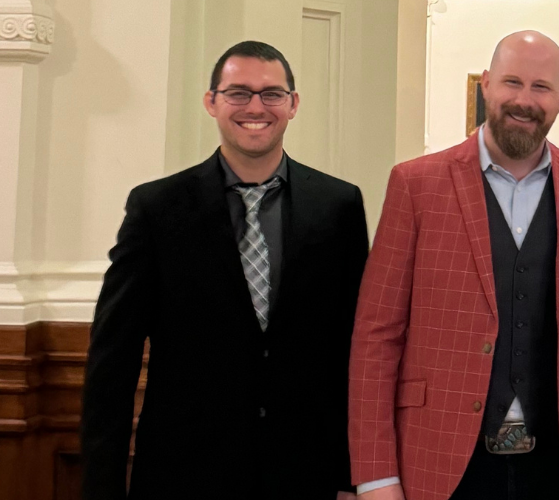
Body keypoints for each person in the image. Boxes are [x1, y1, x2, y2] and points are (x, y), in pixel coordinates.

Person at [348, 30, 559, 500]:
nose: (524, 101)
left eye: (541, 87)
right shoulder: (415, 185)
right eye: (512, 83)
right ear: (486, 84)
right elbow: (376, 336)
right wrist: (377, 477)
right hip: (440, 462)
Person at [81, 41, 368, 500]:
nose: (256, 107)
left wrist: (355, 477)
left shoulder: (338, 205)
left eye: (272, 93)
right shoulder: (156, 208)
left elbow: (355, 348)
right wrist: (102, 485)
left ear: (293, 104)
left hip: (305, 470)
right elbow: (113, 358)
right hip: (184, 471)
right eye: (238, 93)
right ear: (211, 101)